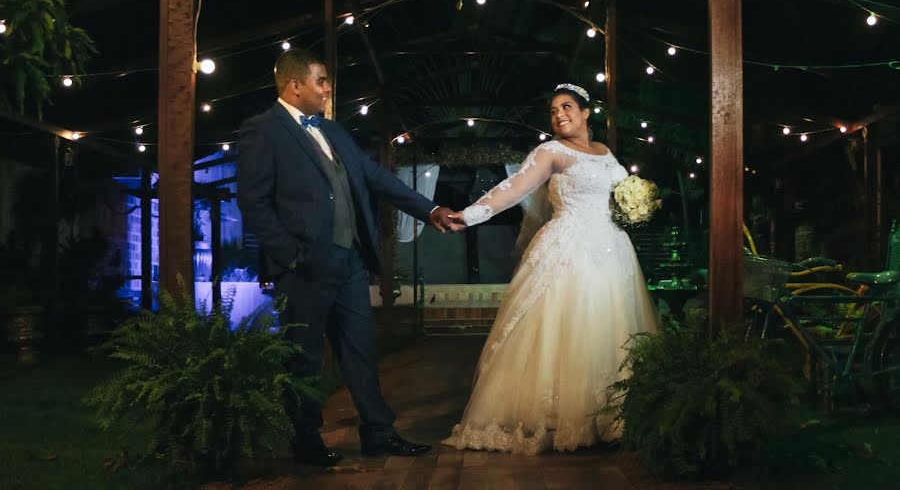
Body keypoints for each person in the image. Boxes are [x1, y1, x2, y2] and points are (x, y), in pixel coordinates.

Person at [237, 49, 454, 466]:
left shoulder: (334, 131)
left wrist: (429, 209)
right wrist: (290, 255)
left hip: (350, 262)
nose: (328, 88)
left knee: (361, 349)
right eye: (321, 80)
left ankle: (378, 433)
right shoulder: (262, 130)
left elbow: (376, 178)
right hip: (303, 267)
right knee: (302, 357)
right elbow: (253, 201)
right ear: (294, 84)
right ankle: (306, 441)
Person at [442, 83, 658, 455]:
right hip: (570, 248)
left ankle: (612, 414)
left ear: (587, 112)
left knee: (609, 326)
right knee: (570, 328)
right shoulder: (551, 152)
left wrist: (637, 206)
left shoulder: (606, 153)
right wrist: (471, 215)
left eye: (568, 106)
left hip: (613, 250)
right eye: (554, 109)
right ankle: (562, 416)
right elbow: (514, 188)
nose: (560, 114)